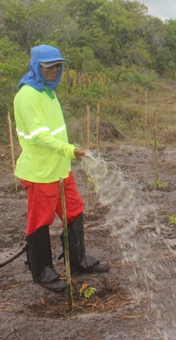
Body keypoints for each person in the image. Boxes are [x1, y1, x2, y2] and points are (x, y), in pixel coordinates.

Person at [14, 45, 109, 292]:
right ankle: (42, 271)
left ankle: (77, 260)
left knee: (74, 210)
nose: (54, 71)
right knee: (40, 220)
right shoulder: (28, 96)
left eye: (58, 66)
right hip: (40, 172)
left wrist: (67, 156)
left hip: (60, 168)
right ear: (37, 67)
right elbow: (41, 137)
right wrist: (71, 150)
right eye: (49, 67)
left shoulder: (48, 92)